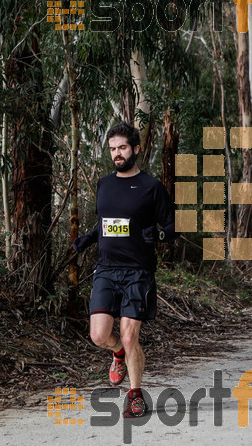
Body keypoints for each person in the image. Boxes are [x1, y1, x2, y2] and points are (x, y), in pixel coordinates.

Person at [72, 122, 176, 417]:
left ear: (136, 149)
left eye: (122, 148)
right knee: (99, 335)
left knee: (131, 336)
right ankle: (117, 353)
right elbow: (106, 222)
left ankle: (135, 394)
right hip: (106, 269)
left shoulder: (152, 187)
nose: (117, 154)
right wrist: (88, 239)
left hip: (138, 272)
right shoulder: (104, 184)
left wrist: (158, 235)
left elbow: (172, 226)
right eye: (113, 149)